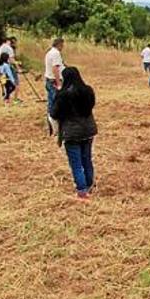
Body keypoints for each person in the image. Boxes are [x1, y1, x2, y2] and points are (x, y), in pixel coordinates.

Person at [50, 66, 98, 200]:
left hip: (71, 133)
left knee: (76, 163)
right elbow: (92, 105)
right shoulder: (88, 90)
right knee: (86, 159)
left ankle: (82, 190)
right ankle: (89, 184)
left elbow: (54, 113)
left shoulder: (63, 95)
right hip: (88, 130)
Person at [45, 38, 65, 135]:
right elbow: (55, 68)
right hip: (54, 81)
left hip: (49, 80)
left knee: (51, 103)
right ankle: (55, 127)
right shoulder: (56, 53)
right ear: (59, 44)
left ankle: (51, 125)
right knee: (56, 103)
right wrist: (59, 83)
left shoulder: (49, 52)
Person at [0, 36, 22, 103]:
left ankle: (7, 97)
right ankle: (15, 99)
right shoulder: (9, 48)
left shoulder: (1, 47)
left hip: (1, 67)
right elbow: (11, 60)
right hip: (9, 67)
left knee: (5, 83)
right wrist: (18, 68)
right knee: (16, 83)